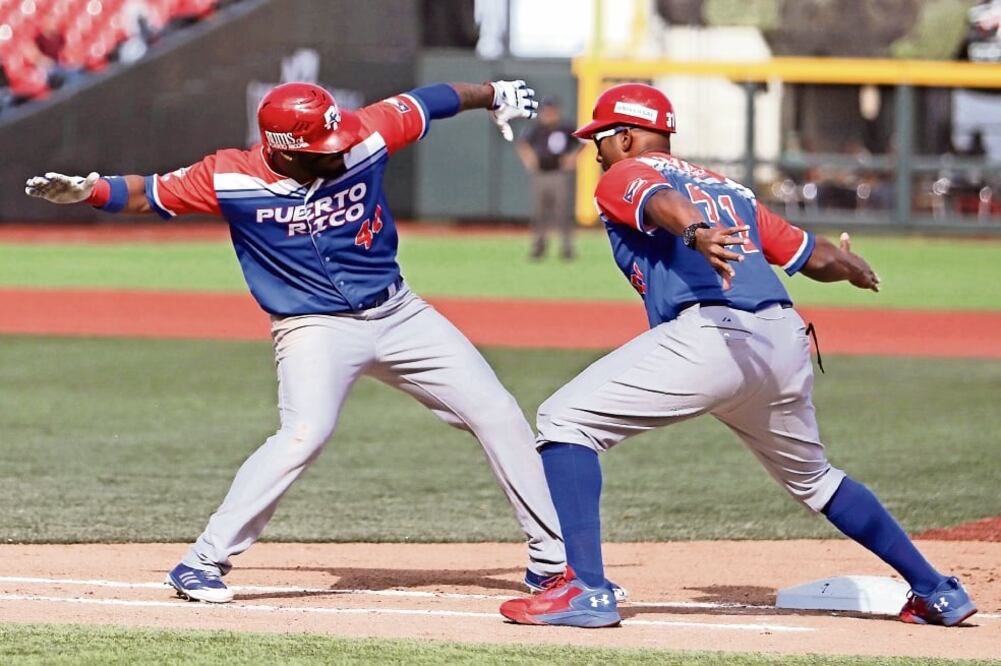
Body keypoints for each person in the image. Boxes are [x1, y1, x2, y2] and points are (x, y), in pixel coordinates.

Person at [25, 79, 590, 604]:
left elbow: (430, 100)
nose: (339, 148)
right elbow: (149, 193)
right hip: (313, 328)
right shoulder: (230, 176)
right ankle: (201, 561)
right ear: (285, 150)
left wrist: (491, 93)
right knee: (303, 433)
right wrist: (92, 191)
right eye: (324, 145)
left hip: (400, 313)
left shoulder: (364, 134)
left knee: (498, 412)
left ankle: (549, 561)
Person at [499, 83, 977, 628]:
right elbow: (809, 252)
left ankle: (584, 589)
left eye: (600, 140)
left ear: (626, 137)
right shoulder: (728, 188)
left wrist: (696, 230)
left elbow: (659, 200)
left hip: (713, 337)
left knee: (564, 420)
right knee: (816, 480)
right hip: (783, 340)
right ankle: (936, 590)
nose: (596, 152)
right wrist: (849, 266)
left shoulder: (625, 172)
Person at [516, 96, 581, 260]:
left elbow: (582, 141)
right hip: (541, 173)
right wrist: (529, 158)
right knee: (539, 212)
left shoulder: (565, 127)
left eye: (552, 110)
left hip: (559, 173)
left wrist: (572, 157)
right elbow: (523, 143)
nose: (549, 114)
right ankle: (539, 246)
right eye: (547, 110)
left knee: (562, 212)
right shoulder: (537, 128)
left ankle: (567, 247)